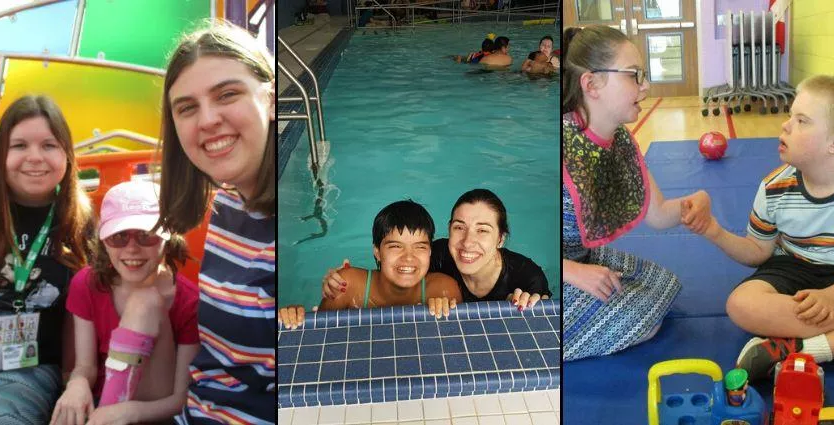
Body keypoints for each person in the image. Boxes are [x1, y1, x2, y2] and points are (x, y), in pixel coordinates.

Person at [562, 25, 711, 361]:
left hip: (582, 259)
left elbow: (658, 214)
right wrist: (573, 273)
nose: (645, 86)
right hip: (550, 274)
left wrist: (694, 202)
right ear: (592, 84)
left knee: (665, 284)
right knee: (643, 321)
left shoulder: (621, 140)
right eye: (634, 75)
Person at [682, 75, 834, 382]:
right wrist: (713, 230)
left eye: (802, 120)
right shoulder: (774, 187)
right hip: (794, 268)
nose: (785, 125)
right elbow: (758, 252)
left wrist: (832, 297)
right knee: (741, 305)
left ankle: (806, 349)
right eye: (790, 115)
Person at [154, 21, 275, 424]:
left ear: (271, 99)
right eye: (187, 107)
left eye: (227, 94)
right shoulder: (226, 202)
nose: (206, 120)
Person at [278, 189, 553, 329]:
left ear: (501, 238)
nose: (468, 242)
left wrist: (519, 311)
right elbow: (398, 267)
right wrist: (334, 282)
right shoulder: (436, 257)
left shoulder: (527, 278)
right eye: (459, 227)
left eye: (483, 230)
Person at [51, 181, 199, 425]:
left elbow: (180, 398)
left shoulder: (188, 300)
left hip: (152, 412)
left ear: (167, 237)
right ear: (103, 240)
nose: (132, 249)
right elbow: (84, 366)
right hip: (97, 407)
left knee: (146, 301)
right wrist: (77, 385)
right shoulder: (87, 284)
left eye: (146, 236)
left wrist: (128, 412)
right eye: (118, 237)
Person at [0, 95, 95, 423]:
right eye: (19, 145)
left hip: (29, 368)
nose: (34, 158)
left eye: (49, 145)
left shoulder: (80, 222)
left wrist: (79, 379)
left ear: (67, 154)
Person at [278, 200, 463, 329]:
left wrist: (443, 313)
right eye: (396, 246)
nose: (408, 258)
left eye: (419, 247)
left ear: (430, 251)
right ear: (377, 251)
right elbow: (318, 336)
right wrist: (295, 316)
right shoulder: (347, 286)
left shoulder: (443, 289)